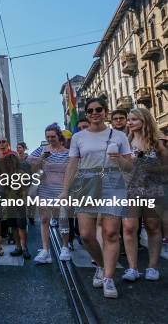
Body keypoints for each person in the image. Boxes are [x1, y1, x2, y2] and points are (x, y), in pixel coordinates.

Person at [61, 98, 132, 299]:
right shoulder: (78, 137)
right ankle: (101, 265)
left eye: (98, 109)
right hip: (86, 183)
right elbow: (73, 165)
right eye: (90, 110)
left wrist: (120, 160)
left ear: (105, 111)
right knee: (85, 234)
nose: (94, 113)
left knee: (110, 233)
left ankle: (108, 278)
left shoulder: (119, 136)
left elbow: (130, 167)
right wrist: (65, 191)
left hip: (113, 182)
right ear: (86, 113)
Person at [122, 108, 168, 282]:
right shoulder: (125, 142)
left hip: (152, 191)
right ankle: (132, 268)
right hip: (130, 190)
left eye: (134, 119)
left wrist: (149, 168)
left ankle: (152, 267)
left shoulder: (157, 142)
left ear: (144, 120)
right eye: (129, 119)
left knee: (152, 226)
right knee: (129, 227)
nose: (129, 122)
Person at [28, 124, 70, 263]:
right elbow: (29, 164)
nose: (50, 139)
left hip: (61, 189)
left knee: (62, 219)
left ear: (59, 136)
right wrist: (41, 159)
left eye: (53, 136)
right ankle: (45, 250)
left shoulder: (67, 152)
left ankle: (65, 247)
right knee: (45, 220)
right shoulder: (42, 150)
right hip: (44, 188)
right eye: (48, 137)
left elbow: (72, 171)